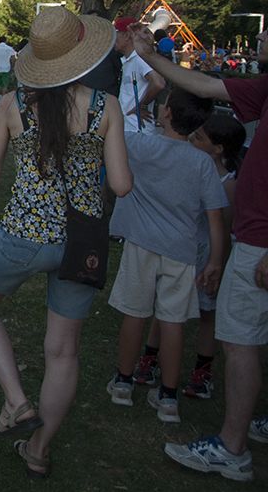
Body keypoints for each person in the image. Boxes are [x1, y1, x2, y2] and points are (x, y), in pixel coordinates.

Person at [0, 7, 131, 480]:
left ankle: (17, 401)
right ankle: (38, 449)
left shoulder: (13, 106)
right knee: (63, 351)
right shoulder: (107, 106)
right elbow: (120, 185)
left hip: (23, 232)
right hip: (83, 239)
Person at [132, 24, 268, 482]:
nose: (263, 35)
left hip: (261, 243)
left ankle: (232, 449)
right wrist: (150, 57)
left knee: (241, 338)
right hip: (250, 239)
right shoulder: (264, 88)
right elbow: (206, 85)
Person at [105, 89, 226, 425]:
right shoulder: (202, 162)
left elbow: (110, 130)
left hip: (142, 245)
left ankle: (124, 382)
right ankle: (169, 397)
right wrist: (215, 261)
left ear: (168, 113)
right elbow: (215, 217)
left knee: (135, 313)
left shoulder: (140, 146)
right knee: (173, 322)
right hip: (182, 251)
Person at [133, 112, 246, 400]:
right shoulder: (192, 165)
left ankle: (202, 372)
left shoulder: (229, 183)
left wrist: (215, 261)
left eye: (199, 138)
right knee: (166, 307)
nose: (193, 140)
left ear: (218, 149)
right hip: (181, 247)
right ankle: (150, 358)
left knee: (207, 314)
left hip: (206, 253)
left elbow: (223, 224)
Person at [114, 17, 165, 132]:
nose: (113, 38)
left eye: (116, 33)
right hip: (128, 128)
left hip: (137, 130)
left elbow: (159, 83)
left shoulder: (139, 58)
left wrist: (141, 106)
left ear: (127, 36)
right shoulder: (128, 60)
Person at [0, 36, 18, 105]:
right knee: (4, 85)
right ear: (6, 41)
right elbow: (13, 58)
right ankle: (2, 98)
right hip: (6, 68)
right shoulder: (10, 49)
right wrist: (12, 66)